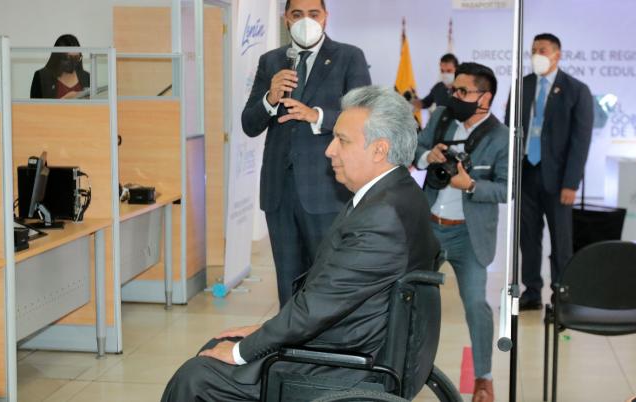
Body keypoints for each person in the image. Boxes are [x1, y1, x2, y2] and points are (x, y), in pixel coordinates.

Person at [161, 85, 440, 401]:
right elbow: (329, 296)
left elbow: (317, 307)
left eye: (342, 140)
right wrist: (266, 331)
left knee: (197, 376)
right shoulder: (397, 194)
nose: (329, 150)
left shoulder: (382, 215)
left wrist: (244, 351)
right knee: (214, 350)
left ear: (379, 150)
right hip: (353, 340)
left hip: (346, 363)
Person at [241, 0, 372, 306]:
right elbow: (249, 124)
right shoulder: (271, 61)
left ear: (326, 17)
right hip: (278, 191)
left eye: (314, 14)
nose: (306, 20)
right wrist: (270, 98)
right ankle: (290, 336)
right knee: (287, 284)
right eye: (297, 14)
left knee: (327, 279)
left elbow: (364, 118)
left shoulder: (348, 57)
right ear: (286, 19)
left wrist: (317, 116)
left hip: (326, 189)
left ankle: (326, 337)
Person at [415, 62, 508, 402]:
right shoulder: (442, 117)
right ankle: (405, 366)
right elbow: (415, 148)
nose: (455, 96)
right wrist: (428, 156)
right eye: (454, 89)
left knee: (476, 305)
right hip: (429, 226)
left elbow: (506, 188)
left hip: (469, 236)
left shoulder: (501, 137)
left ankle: (484, 378)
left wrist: (470, 185)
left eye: (463, 91)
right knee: (411, 298)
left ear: (486, 98)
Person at [505, 33, 593, 310]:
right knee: (528, 238)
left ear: (557, 54)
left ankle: (562, 292)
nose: (536, 55)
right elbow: (509, 130)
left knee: (561, 240)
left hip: (558, 179)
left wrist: (571, 183)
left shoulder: (576, 90)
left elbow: (580, 142)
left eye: (542, 50)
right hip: (526, 173)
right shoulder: (522, 86)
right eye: (533, 50)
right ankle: (531, 291)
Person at [30, 34, 90, 99]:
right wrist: (64, 100)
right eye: (68, 58)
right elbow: (34, 105)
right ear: (57, 57)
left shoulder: (86, 77)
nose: (73, 62)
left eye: (76, 58)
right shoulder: (41, 77)